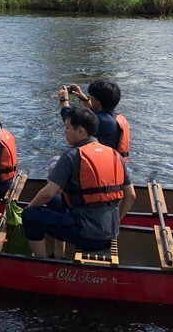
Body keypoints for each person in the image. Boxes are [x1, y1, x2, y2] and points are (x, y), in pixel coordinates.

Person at [22, 106, 135, 259]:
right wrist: (116, 222)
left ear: (80, 131)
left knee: (29, 216)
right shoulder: (115, 154)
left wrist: (28, 208)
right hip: (110, 232)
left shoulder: (72, 156)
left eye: (68, 128)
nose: (65, 132)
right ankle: (58, 255)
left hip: (87, 235)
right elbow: (131, 196)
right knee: (55, 202)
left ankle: (42, 263)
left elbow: (47, 193)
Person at [59, 78, 130, 160]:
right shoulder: (114, 116)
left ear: (98, 101)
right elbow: (93, 113)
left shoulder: (101, 120)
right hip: (115, 163)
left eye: (91, 97)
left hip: (102, 161)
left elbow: (70, 118)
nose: (90, 98)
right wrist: (83, 97)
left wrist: (64, 100)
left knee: (54, 162)